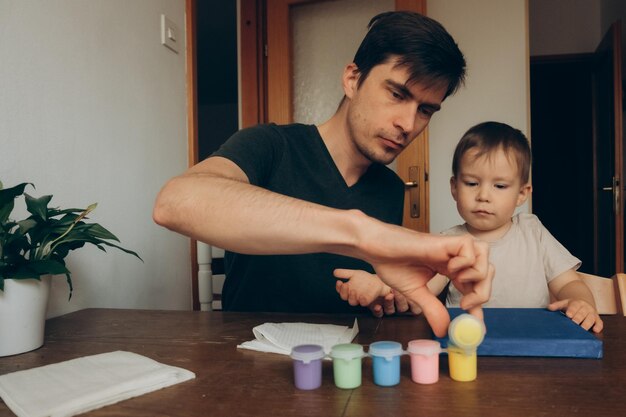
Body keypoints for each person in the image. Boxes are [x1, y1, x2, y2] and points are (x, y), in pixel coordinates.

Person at [152, 11, 493, 337]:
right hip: (245, 363)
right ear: (352, 79)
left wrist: (386, 295)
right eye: (396, 94)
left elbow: (358, 294)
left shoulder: (389, 188)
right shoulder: (271, 144)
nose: (407, 124)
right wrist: (361, 231)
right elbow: (175, 202)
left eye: (425, 110)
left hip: (340, 370)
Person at [336, 121, 604, 333]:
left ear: (523, 193)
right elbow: (419, 293)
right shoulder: (448, 242)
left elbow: (569, 283)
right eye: (472, 183)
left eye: (499, 186)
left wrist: (582, 304)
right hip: (468, 344)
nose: (483, 196)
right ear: (454, 187)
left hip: (531, 341)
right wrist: (381, 287)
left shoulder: (532, 231)